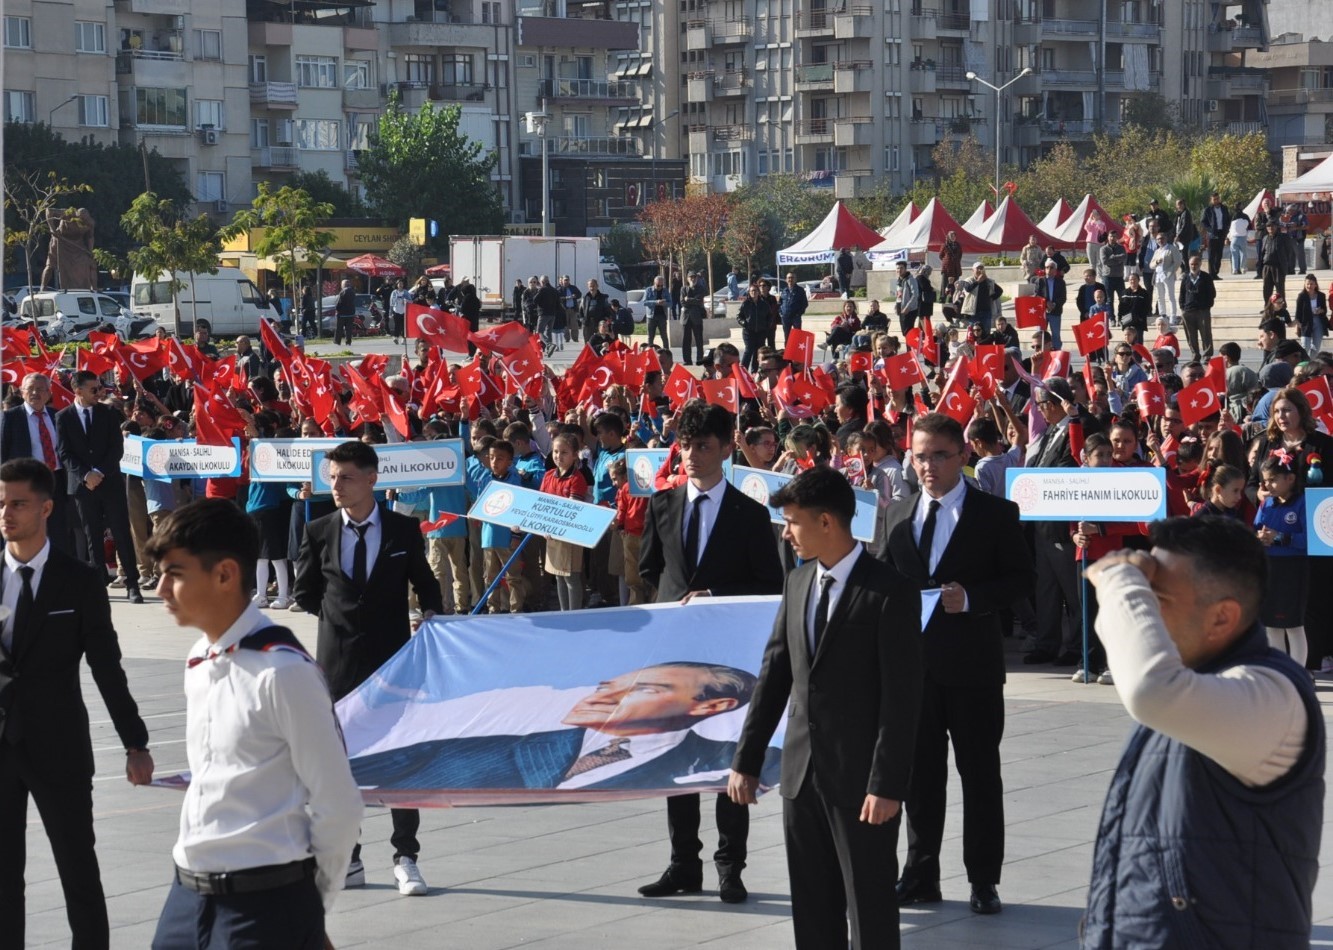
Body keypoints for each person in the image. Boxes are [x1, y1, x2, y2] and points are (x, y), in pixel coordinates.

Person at [1082, 518, 1324, 948]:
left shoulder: (1271, 695)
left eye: (1156, 596)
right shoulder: (1194, 683)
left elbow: (1148, 689)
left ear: (1222, 617)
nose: (1144, 611)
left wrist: (1120, 577)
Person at [146, 499, 363, 950]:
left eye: (177, 573)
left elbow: (337, 801)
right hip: (186, 896)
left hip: (264, 904)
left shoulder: (283, 672)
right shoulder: (198, 661)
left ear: (225, 574)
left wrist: (307, 908)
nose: (162, 588)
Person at [729, 466, 922, 949]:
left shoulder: (889, 592)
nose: (787, 533)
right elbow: (775, 676)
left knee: (869, 906)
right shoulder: (796, 583)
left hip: (861, 783)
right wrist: (747, 761)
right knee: (812, 908)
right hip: (801, 776)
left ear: (827, 522)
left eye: (792, 522)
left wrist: (887, 784)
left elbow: (902, 700)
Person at [873, 413, 1034, 916]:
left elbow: (1020, 579)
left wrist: (973, 598)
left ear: (962, 455)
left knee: (980, 775)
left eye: (939, 455)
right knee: (921, 779)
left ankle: (984, 880)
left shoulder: (996, 513)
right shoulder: (897, 514)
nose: (928, 466)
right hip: (914, 671)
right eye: (920, 456)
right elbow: (881, 579)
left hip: (973, 670)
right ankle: (920, 874)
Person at [0, 458, 153, 949]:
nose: (6, 513)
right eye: (1, 503)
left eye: (18, 503)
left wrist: (135, 743)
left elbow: (106, 667)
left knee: (78, 873)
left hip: (58, 746)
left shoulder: (80, 581)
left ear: (46, 507)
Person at [638, 402, 783, 904]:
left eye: (702, 446)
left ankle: (730, 865)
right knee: (675, 759)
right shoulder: (662, 506)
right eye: (685, 445)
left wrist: (716, 599)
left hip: (728, 658)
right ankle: (683, 864)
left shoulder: (750, 514)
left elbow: (769, 586)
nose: (692, 456)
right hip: (676, 656)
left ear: (725, 448)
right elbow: (649, 572)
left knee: (727, 763)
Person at [292, 440, 443, 896]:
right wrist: (342, 623)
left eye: (346, 477)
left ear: (373, 479)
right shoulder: (319, 530)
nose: (336, 485)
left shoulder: (402, 530)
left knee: (400, 760)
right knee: (341, 766)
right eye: (332, 477)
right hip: (337, 668)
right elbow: (304, 592)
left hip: (394, 663)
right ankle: (350, 857)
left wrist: (429, 616)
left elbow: (426, 585)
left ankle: (406, 856)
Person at [348, 660, 775, 791]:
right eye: (612, 683)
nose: (603, 694)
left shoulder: (723, 763)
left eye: (644, 688)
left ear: (712, 705)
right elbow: (354, 768)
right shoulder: (475, 749)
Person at [56, 370, 144, 603]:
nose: (99, 393)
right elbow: (65, 453)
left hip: (109, 482)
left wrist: (99, 472)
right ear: (78, 391)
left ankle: (132, 584)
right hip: (83, 486)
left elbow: (117, 448)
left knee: (121, 533)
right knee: (92, 536)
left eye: (100, 388)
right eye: (94, 389)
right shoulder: (64, 417)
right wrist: (86, 475)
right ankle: (98, 586)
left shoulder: (107, 413)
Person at [0, 373, 72, 555]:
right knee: (26, 527)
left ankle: (56, 574)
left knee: (58, 531)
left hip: (56, 481)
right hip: (25, 482)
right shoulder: (10, 418)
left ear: (48, 393)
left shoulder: (58, 416)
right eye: (30, 389)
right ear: (22, 392)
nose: (35, 393)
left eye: (40, 389)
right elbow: (2, 454)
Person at [1178, 254, 1217, 362]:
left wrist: (1207, 306)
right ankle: (1195, 354)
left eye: (1196, 264)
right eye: (1191, 264)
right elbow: (1182, 293)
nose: (1194, 266)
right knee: (1191, 335)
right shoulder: (1185, 277)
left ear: (1200, 264)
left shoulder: (1206, 277)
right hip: (1188, 310)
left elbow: (1212, 293)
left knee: (1206, 334)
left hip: (1202, 311)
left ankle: (1207, 355)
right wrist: (1183, 308)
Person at [1035, 259, 1067, 349]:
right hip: (1042, 313)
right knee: (1040, 334)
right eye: (1047, 267)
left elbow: (1063, 298)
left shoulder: (1061, 282)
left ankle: (1057, 354)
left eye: (1051, 267)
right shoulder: (1040, 281)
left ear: (1055, 270)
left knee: (1056, 335)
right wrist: (1046, 303)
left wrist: (1054, 304)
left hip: (1055, 312)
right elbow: (1037, 295)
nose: (1048, 269)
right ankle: (1040, 354)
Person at [1294, 273, 1328, 356]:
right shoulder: (1301, 296)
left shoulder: (1321, 295)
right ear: (1305, 284)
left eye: (1311, 284)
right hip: (1306, 323)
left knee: (1316, 348)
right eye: (1307, 284)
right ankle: (1304, 366)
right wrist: (1297, 326)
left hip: (1318, 321)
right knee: (1305, 347)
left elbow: (1324, 309)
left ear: (1315, 285)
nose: (1309, 286)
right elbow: (1297, 313)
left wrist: (1321, 311)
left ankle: (1311, 366)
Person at [1201, 191, 1231, 277]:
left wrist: (1227, 228)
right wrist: (1210, 230)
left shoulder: (1224, 208)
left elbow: (1228, 219)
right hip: (1212, 234)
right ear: (1211, 200)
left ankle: (1216, 272)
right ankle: (1211, 274)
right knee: (1211, 255)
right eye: (1214, 199)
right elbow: (1203, 222)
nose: (1216, 201)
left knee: (1219, 255)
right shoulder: (1207, 210)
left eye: (1217, 199)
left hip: (1222, 233)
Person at [680, 272, 707, 366]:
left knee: (699, 340)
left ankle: (699, 359)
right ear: (687, 279)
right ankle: (687, 360)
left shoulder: (701, 288)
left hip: (697, 317)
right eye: (691, 277)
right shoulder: (683, 289)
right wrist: (691, 300)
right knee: (686, 340)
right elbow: (682, 302)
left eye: (694, 277)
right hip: (686, 318)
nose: (693, 279)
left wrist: (689, 299)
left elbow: (699, 301)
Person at [779, 272, 808, 346]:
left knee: (798, 337)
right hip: (786, 318)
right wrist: (781, 313)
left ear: (795, 279)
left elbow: (804, 304)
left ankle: (797, 355)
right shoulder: (784, 290)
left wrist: (798, 314)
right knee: (787, 338)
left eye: (792, 278)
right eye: (789, 278)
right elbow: (780, 303)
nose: (790, 279)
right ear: (786, 279)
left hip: (796, 318)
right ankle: (787, 355)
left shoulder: (800, 290)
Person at [389, 278, 411, 345]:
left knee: (403, 326)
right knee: (397, 325)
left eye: (402, 284)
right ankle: (396, 337)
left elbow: (411, 301)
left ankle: (403, 339)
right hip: (396, 311)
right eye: (399, 284)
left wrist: (405, 301)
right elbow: (391, 303)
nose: (400, 285)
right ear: (397, 285)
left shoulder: (406, 292)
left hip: (404, 311)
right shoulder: (394, 292)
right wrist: (391, 312)